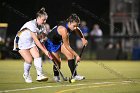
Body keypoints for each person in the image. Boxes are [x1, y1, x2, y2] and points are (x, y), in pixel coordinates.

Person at [44, 13, 88, 82]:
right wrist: (77, 56)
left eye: (76, 26)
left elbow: (77, 29)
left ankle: (75, 75)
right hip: (51, 43)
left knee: (70, 55)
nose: (74, 28)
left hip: (58, 41)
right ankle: (56, 76)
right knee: (58, 62)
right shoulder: (64, 30)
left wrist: (83, 39)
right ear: (70, 23)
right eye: (74, 26)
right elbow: (67, 46)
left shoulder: (71, 25)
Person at [13, 7, 50, 83]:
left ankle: (40, 75)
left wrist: (46, 47)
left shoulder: (43, 26)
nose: (45, 21)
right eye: (43, 19)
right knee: (29, 60)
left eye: (46, 20)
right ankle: (26, 74)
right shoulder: (31, 24)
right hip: (20, 42)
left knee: (37, 55)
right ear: (38, 18)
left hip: (30, 41)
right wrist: (45, 51)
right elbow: (36, 41)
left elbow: (42, 39)